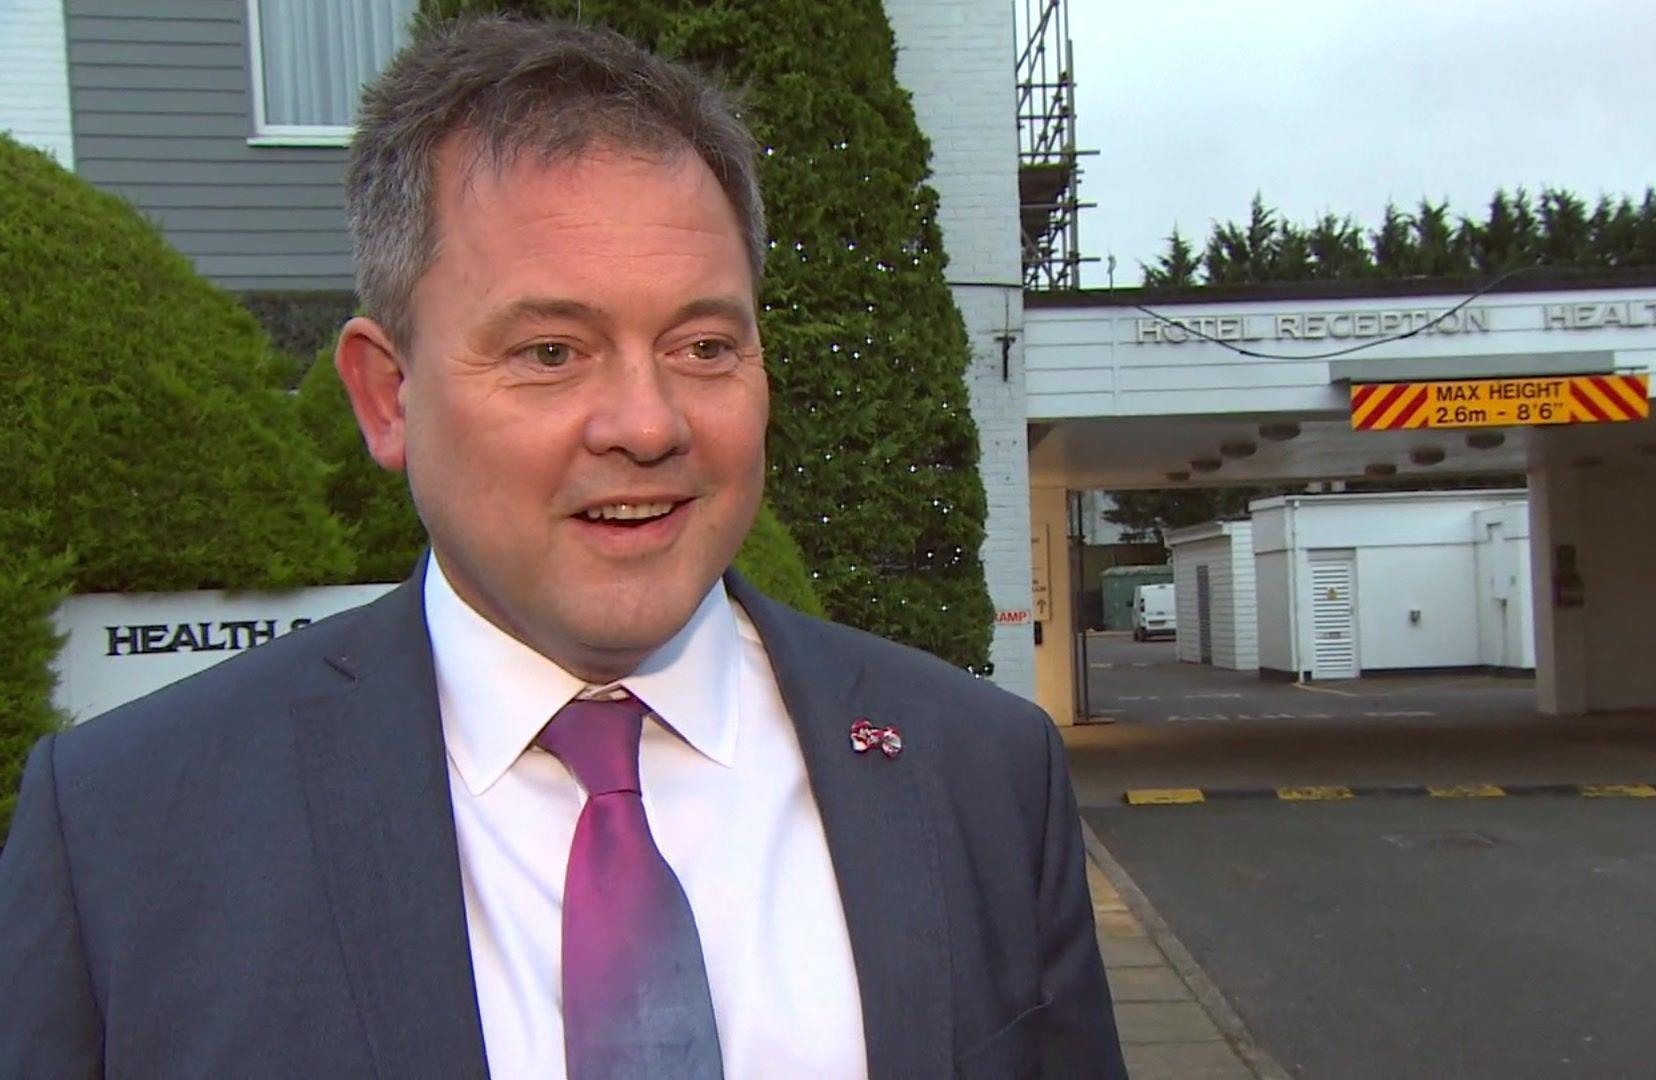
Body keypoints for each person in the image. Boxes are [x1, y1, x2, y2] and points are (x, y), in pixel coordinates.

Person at [0, 16, 1124, 1079]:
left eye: (702, 344)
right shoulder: (126, 832)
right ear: (386, 397)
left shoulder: (978, 773)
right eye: (550, 350)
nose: (647, 423)